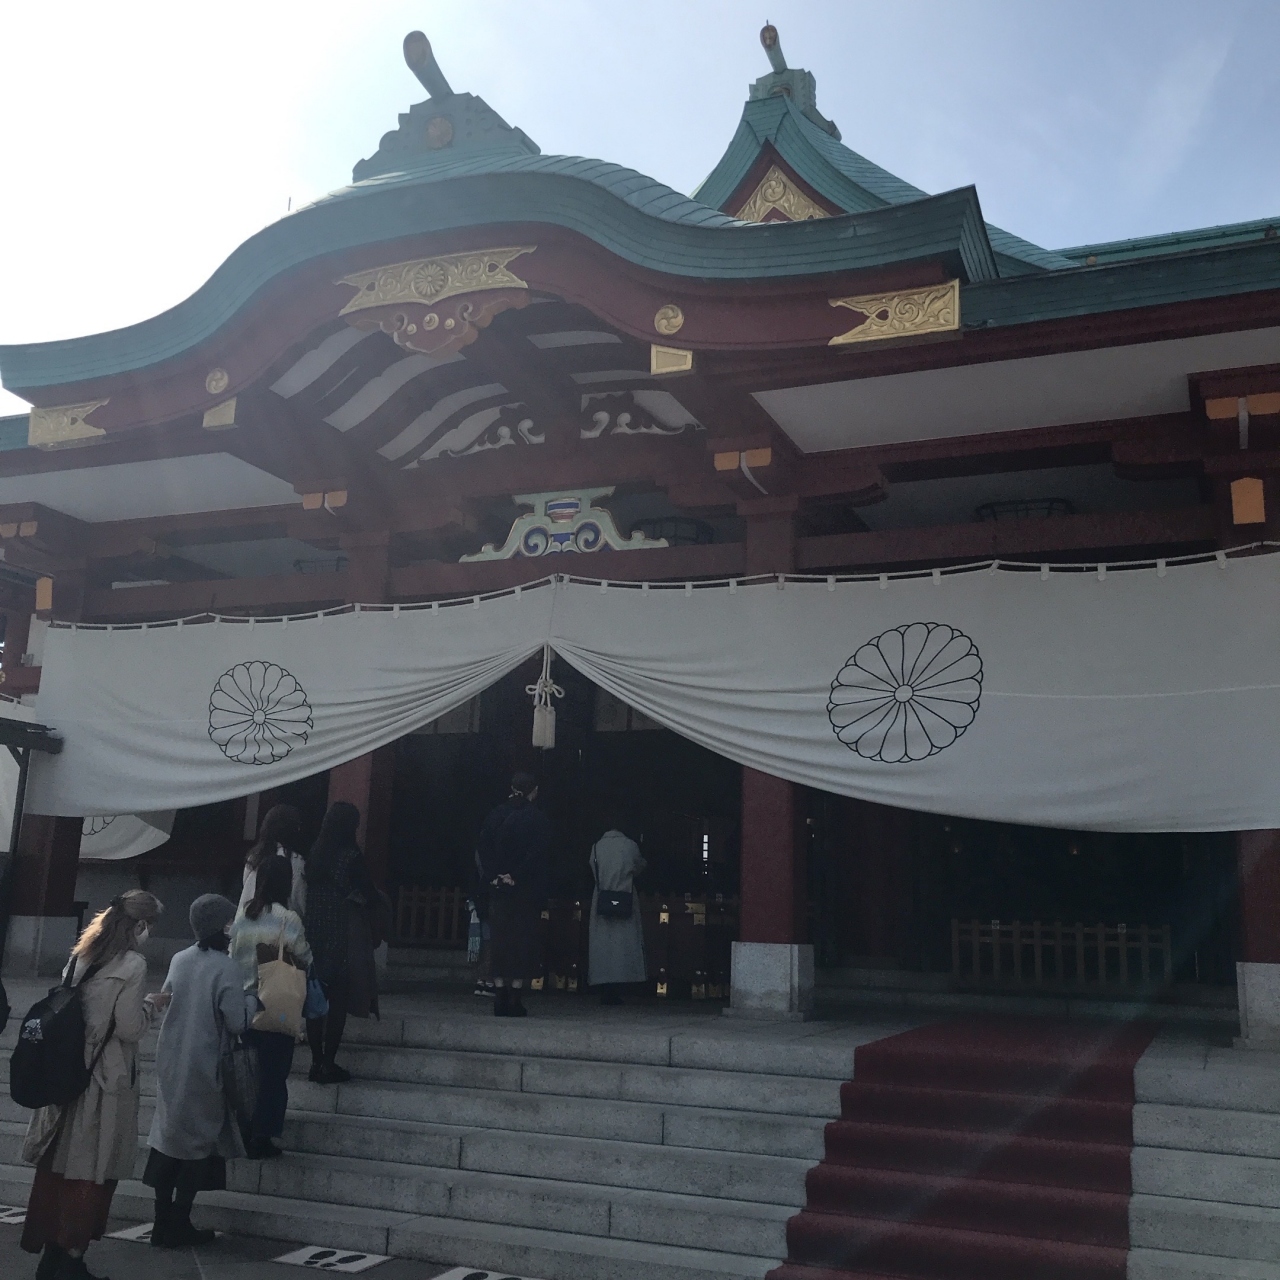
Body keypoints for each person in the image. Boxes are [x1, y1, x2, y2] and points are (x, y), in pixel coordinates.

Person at [20, 890, 165, 1280]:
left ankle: (50, 1255)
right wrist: (152, 1005)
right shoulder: (132, 964)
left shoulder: (80, 955)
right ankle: (71, 1257)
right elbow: (129, 1027)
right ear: (140, 924)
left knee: (59, 1165)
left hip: (66, 1072)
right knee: (91, 1168)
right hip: (104, 1077)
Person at [144, 894, 258, 1249]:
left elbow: (167, 999)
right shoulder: (227, 968)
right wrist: (253, 999)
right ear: (222, 926)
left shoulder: (180, 959)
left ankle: (161, 1221)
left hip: (172, 1059)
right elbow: (237, 1022)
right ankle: (180, 1221)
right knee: (196, 1146)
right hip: (206, 1064)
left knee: (168, 1138)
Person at [230, 855, 311, 1159]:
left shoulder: (241, 917)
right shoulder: (288, 919)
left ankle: (242, 1129)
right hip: (276, 1005)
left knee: (245, 1074)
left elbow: (233, 955)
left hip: (243, 1005)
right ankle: (262, 1135)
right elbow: (305, 956)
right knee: (273, 1076)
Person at [303, 801, 377, 1083]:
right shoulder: (351, 857)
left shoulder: (315, 854)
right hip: (340, 932)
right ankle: (328, 1062)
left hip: (313, 933)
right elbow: (368, 894)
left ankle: (315, 1060)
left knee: (315, 999)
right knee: (337, 1000)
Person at [477, 772, 551, 1018]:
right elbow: (538, 855)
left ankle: (499, 995)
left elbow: (483, 848)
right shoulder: (537, 818)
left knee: (499, 940)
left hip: (498, 887)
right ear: (534, 791)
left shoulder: (495, 814)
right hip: (524, 890)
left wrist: (494, 876)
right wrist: (516, 875)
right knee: (522, 941)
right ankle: (516, 997)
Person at [588, 822, 648, 1006]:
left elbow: (593, 868)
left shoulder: (596, 846)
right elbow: (639, 866)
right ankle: (622, 985)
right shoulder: (630, 846)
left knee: (603, 947)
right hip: (625, 897)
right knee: (623, 947)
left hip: (602, 898)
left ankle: (605, 987)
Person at [239, 803, 306, 917]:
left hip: (249, 919)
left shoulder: (254, 857)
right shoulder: (295, 861)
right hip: (282, 923)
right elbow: (300, 901)